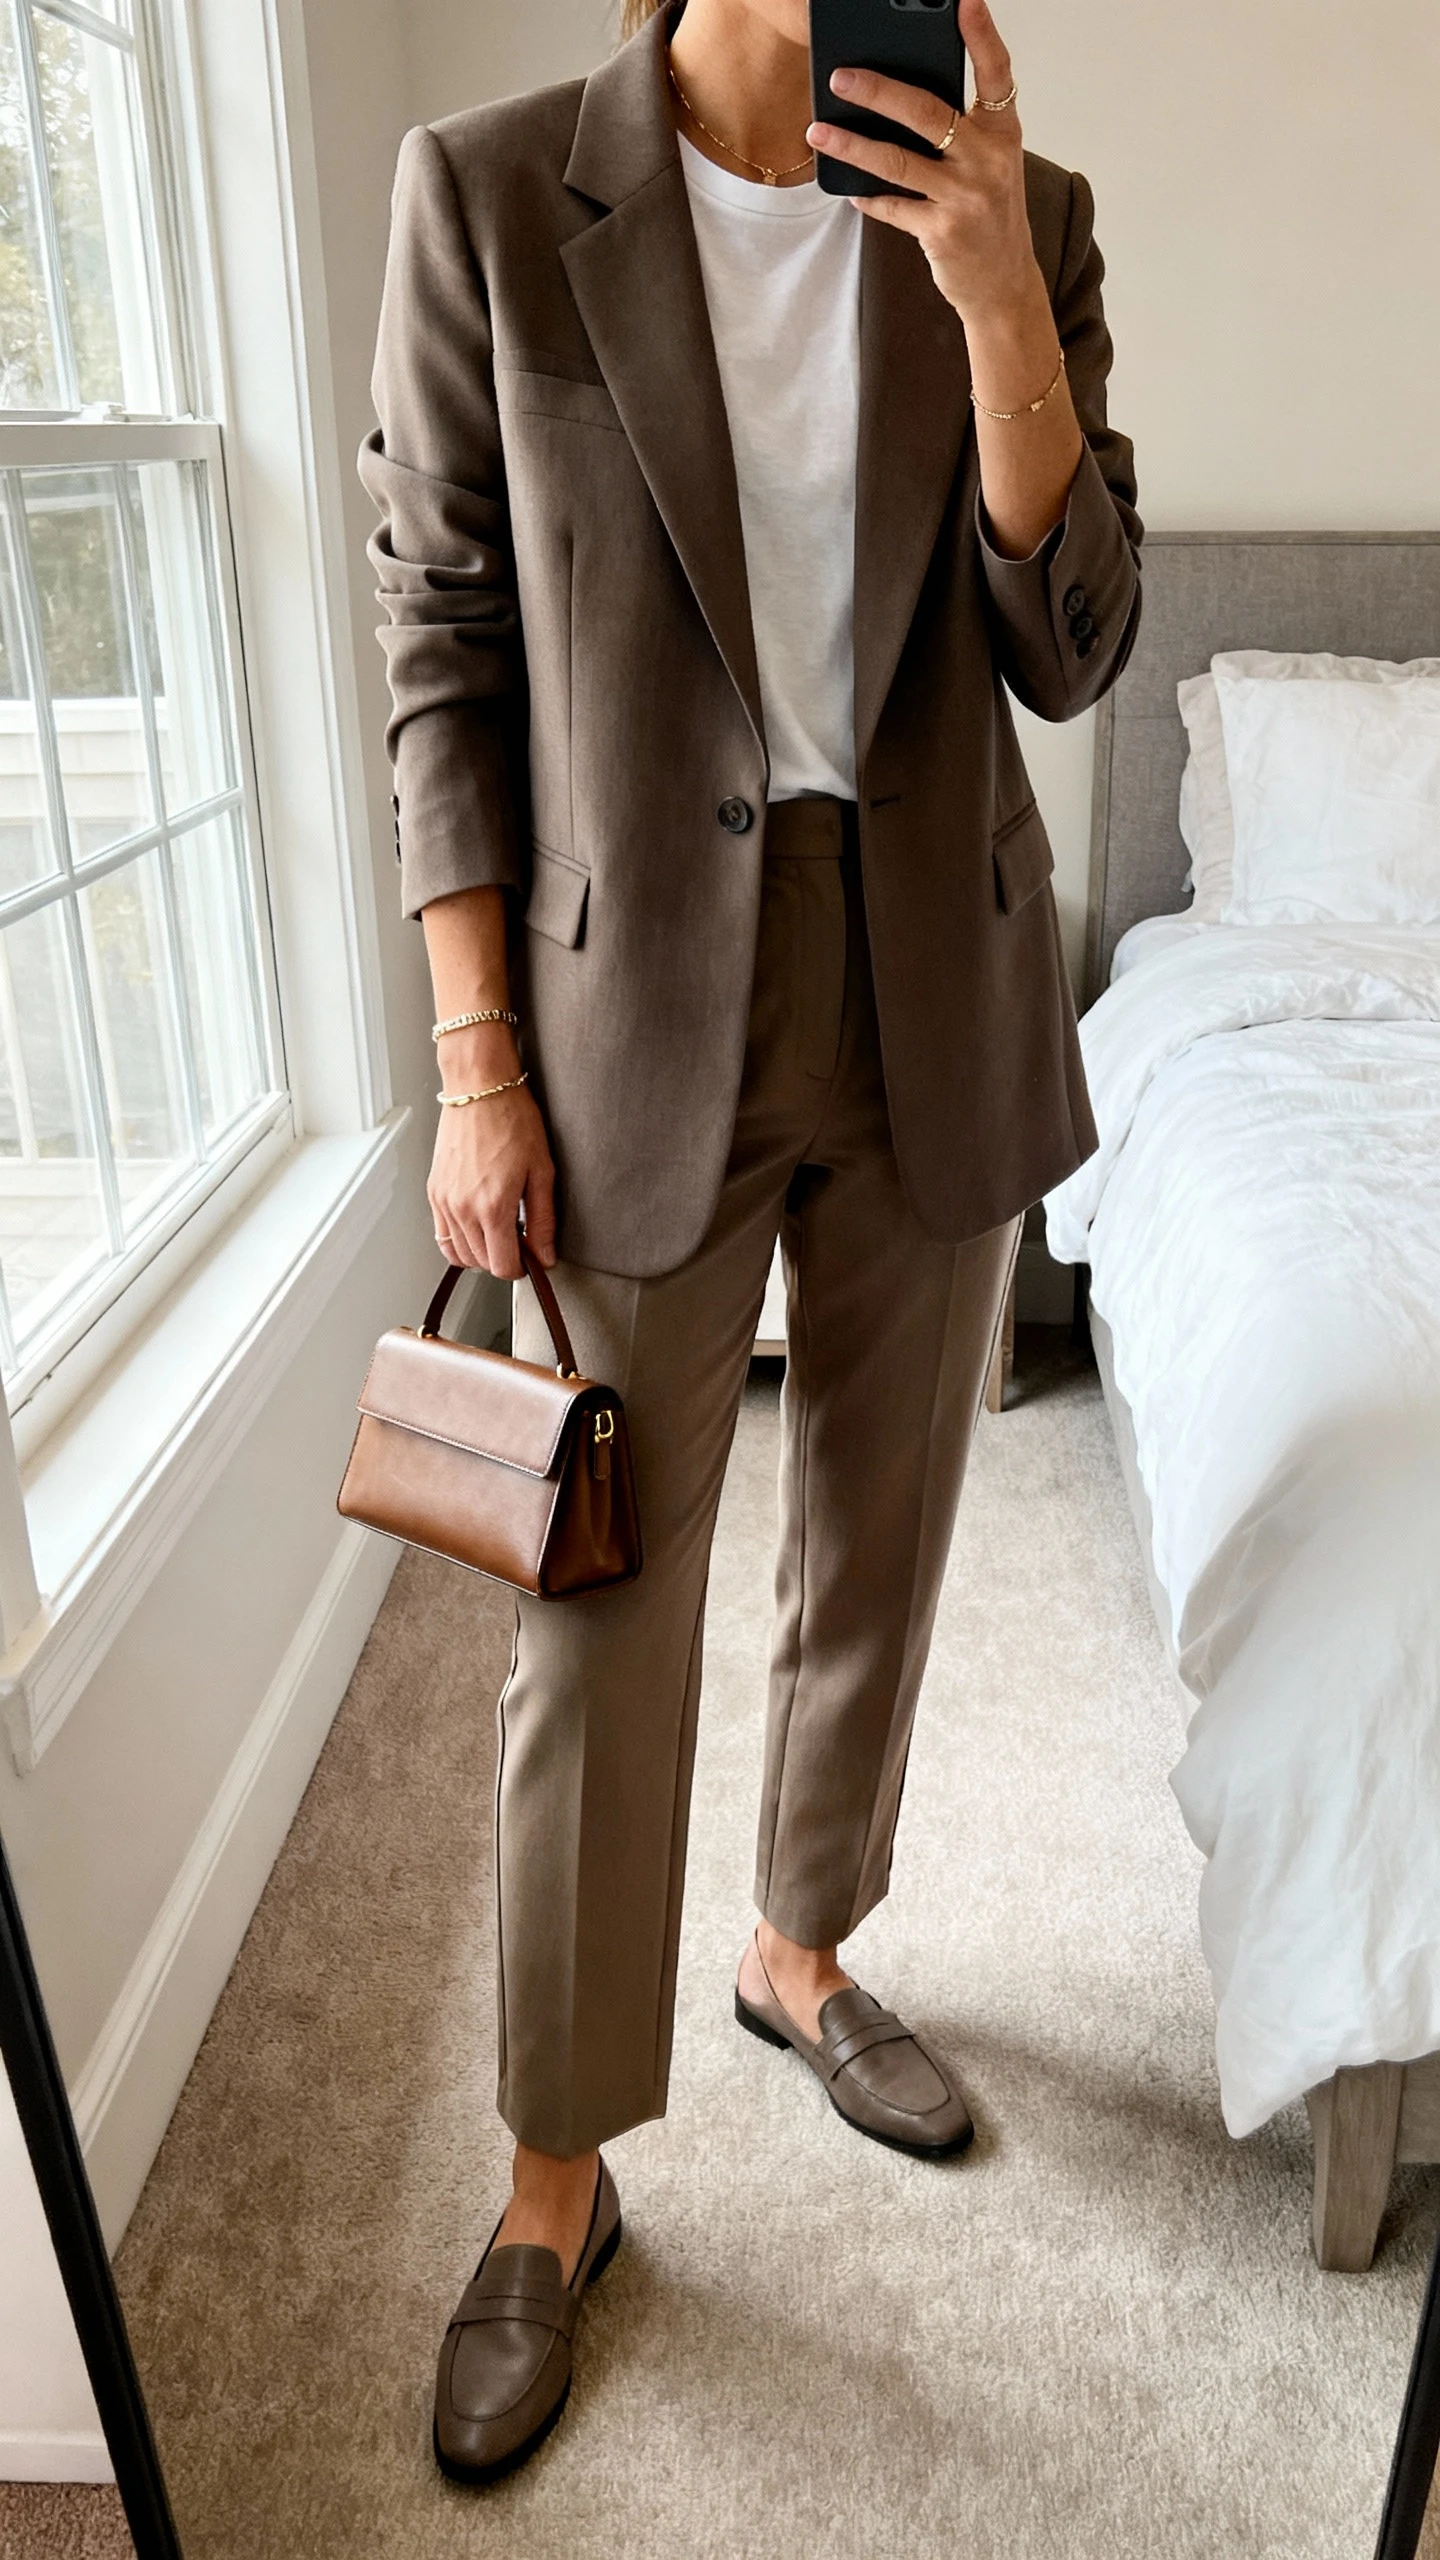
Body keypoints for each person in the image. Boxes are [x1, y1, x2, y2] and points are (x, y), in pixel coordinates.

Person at [360, 0, 1140, 2485]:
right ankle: (554, 2174)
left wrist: (1000, 291)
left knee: (879, 1540)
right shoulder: (491, 194)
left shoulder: (1023, 209)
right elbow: (440, 651)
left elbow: (1072, 638)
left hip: (935, 972)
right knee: (599, 1602)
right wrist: (478, 1061)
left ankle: (801, 1951)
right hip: (622, 1025)